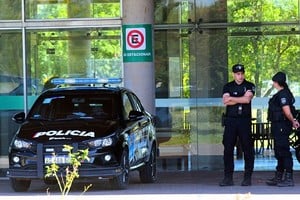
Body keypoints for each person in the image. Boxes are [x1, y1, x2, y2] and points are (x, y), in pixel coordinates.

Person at [219, 64, 255, 187]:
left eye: (242, 73)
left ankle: (247, 177)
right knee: (228, 149)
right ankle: (228, 178)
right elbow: (225, 100)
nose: (240, 76)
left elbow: (247, 100)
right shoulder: (227, 86)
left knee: (247, 149)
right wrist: (241, 98)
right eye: (238, 74)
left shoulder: (249, 85)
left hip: (244, 121)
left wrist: (232, 99)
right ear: (233, 74)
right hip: (231, 121)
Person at [266, 72, 300, 187]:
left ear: (277, 82)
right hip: (278, 126)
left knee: (284, 151)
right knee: (279, 151)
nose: (273, 84)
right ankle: (279, 176)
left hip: (282, 126)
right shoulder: (281, 93)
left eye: (274, 82)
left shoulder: (283, 94)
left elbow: (286, 110)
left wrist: (293, 121)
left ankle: (289, 178)